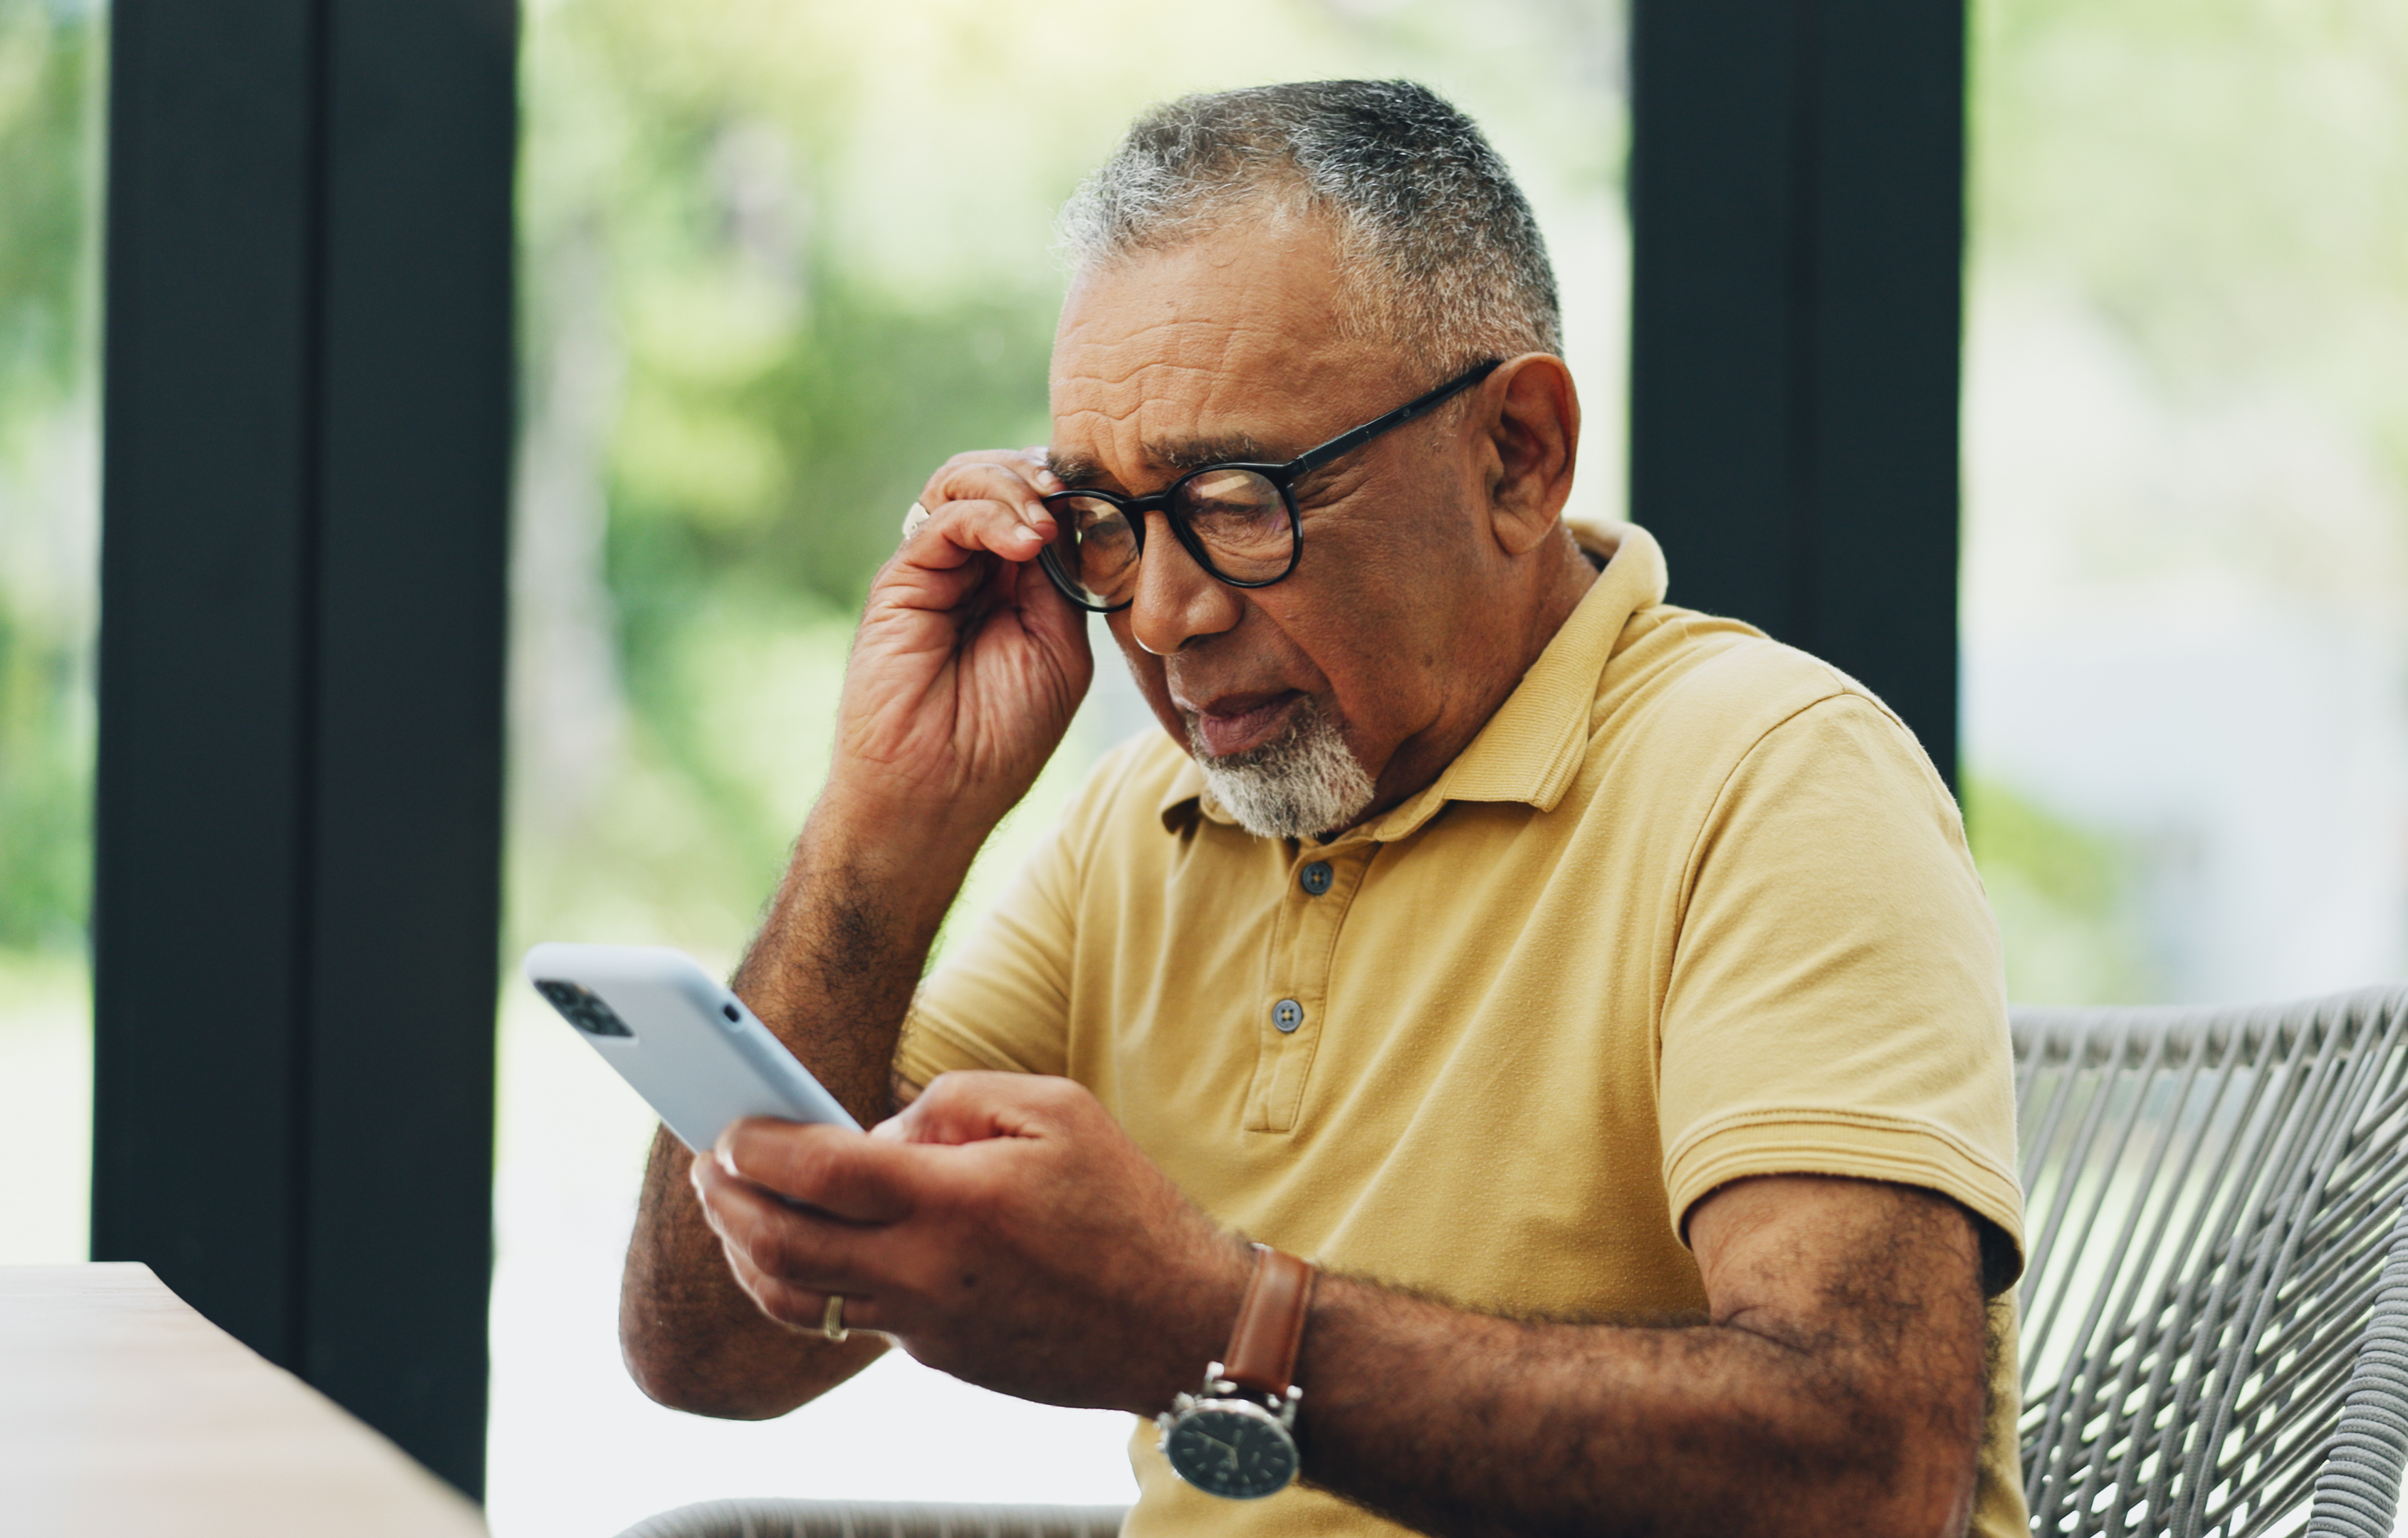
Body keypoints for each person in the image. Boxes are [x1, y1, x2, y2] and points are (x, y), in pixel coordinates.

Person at [621, 79, 2024, 1538]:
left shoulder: (1774, 777)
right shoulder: (1139, 830)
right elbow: (714, 1352)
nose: (1160, 615)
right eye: (1103, 521)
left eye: (1237, 496)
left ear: (1517, 455)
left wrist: (1218, 1327)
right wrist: (889, 828)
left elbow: (1870, 1473)